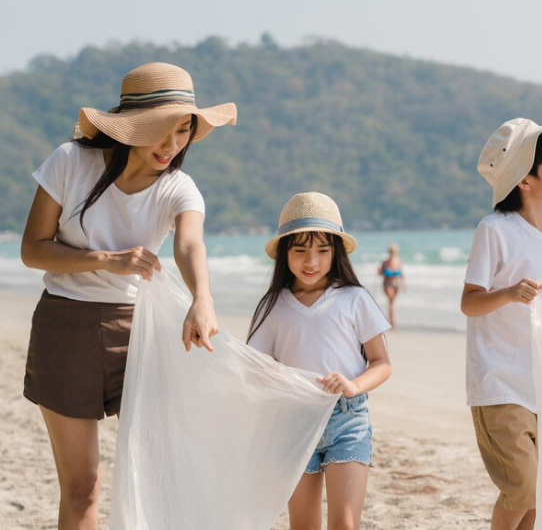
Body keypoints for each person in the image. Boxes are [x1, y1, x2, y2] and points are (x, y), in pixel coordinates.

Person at [20, 62, 237, 529]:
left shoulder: (179, 188)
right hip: (64, 330)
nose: (172, 145)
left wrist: (202, 298)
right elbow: (32, 249)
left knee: (159, 474)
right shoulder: (69, 161)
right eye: (161, 129)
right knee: (83, 486)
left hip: (139, 333)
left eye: (183, 130)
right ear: (132, 125)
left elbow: (189, 244)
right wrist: (105, 259)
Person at [247, 192, 391, 530]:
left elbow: (381, 363)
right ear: (285, 253)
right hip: (294, 422)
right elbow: (256, 365)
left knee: (345, 524)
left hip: (348, 419)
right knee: (304, 525)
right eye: (300, 251)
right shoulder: (273, 305)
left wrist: (353, 385)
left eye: (323, 251)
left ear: (336, 252)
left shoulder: (354, 298)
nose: (311, 261)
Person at [460, 118, 542, 530]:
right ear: (525, 181)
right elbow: (469, 302)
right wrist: (509, 293)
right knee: (523, 487)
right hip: (500, 383)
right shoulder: (494, 230)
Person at [378, 243, 404, 329]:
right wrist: (380, 271)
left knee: (392, 303)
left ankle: (391, 323)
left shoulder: (398, 261)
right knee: (392, 303)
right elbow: (380, 273)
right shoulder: (385, 262)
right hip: (388, 283)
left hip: (395, 283)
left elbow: (402, 274)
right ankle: (393, 324)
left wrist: (403, 283)